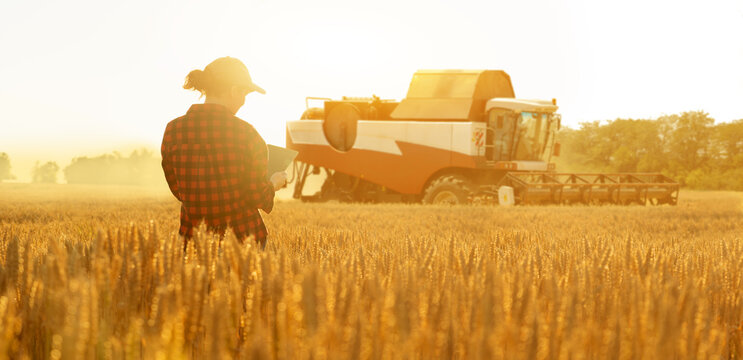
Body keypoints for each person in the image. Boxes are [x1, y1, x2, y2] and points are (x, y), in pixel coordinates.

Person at [161, 56, 287, 250]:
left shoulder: (173, 130)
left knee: (199, 283)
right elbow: (257, 195)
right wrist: (274, 183)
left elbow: (178, 189)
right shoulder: (247, 133)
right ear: (234, 90)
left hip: (193, 241)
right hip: (242, 242)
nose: (244, 101)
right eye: (244, 94)